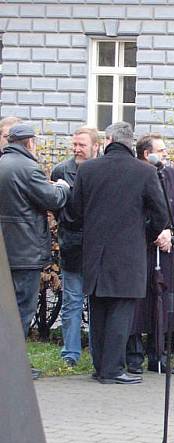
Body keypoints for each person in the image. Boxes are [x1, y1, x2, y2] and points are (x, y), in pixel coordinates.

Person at [67, 122, 167, 384]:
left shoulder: (87, 169)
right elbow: (161, 215)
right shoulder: (145, 172)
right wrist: (144, 235)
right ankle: (113, 370)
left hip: (95, 253)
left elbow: (75, 213)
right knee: (121, 314)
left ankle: (100, 367)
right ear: (130, 142)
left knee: (98, 311)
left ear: (109, 139)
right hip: (128, 254)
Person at [125, 133, 174, 375]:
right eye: (161, 150)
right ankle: (134, 356)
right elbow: (132, 209)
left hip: (167, 247)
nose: (165, 154)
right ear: (146, 154)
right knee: (139, 304)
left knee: (163, 302)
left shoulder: (170, 173)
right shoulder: (134, 173)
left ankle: (159, 354)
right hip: (142, 247)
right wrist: (155, 231)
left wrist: (171, 232)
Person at [0, 123, 70, 345]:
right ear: (30, 142)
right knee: (22, 308)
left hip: (8, 247)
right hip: (24, 250)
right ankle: (13, 366)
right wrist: (62, 187)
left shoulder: (3, 163)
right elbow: (52, 199)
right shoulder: (29, 168)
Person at [52, 126, 100, 367]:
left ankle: (97, 351)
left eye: (82, 144)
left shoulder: (103, 170)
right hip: (72, 245)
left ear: (96, 146)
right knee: (72, 301)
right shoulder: (61, 170)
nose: (77, 149)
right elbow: (58, 208)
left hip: (99, 248)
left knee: (99, 302)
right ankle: (70, 353)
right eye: (75, 144)